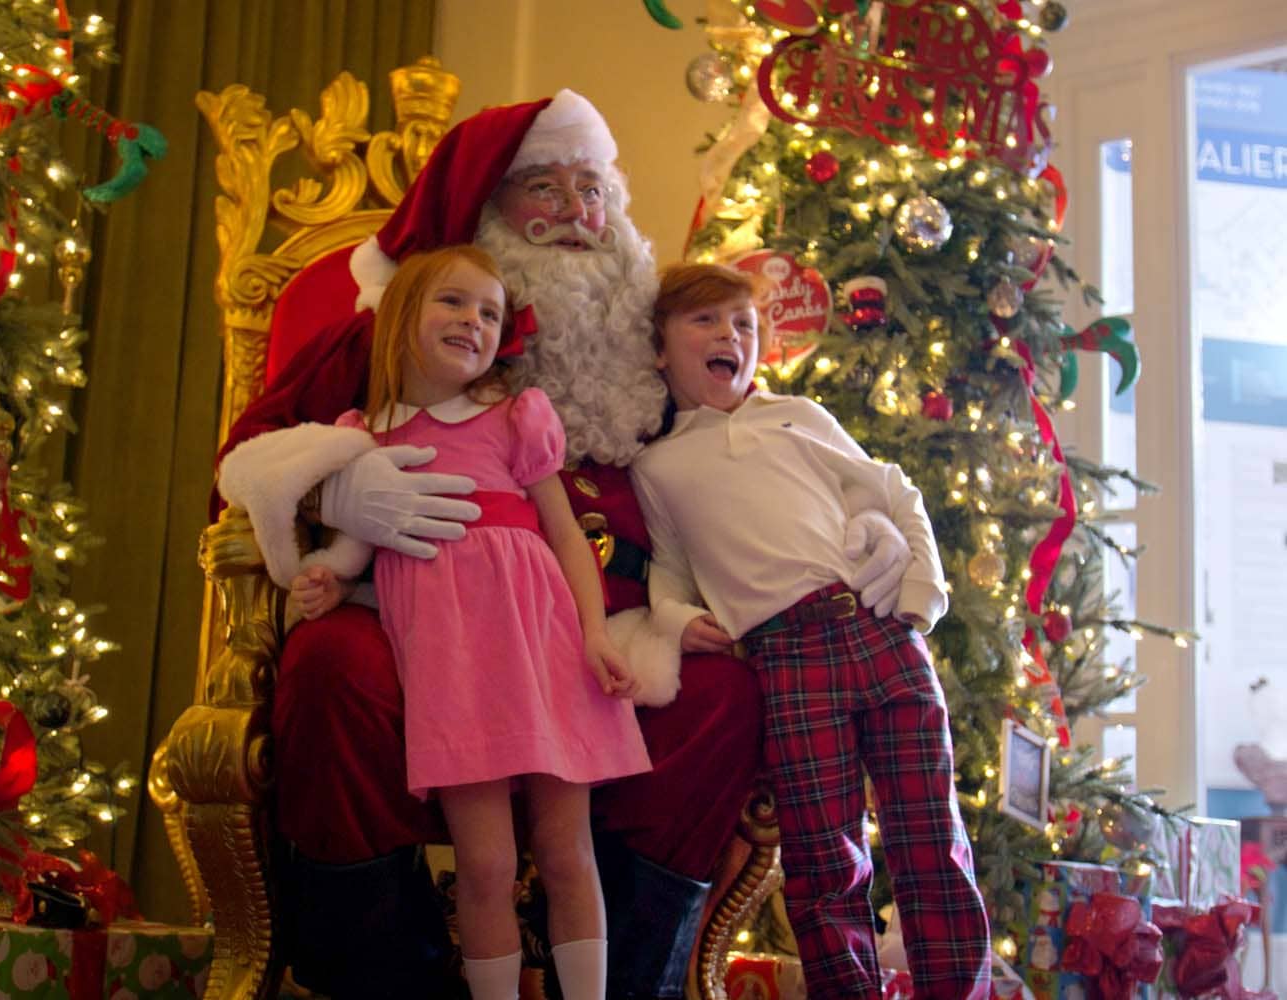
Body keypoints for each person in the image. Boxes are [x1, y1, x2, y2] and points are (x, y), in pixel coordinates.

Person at [215, 90, 915, 1000]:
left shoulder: (658, 339)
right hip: (421, 610)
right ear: (483, 220)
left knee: (726, 697)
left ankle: (631, 978)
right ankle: (387, 974)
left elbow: (761, 454)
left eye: (591, 187)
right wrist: (337, 482)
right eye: (540, 187)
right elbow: (247, 458)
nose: (577, 213)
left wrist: (855, 522)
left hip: (612, 619)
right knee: (329, 672)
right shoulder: (392, 333)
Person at [289, 243, 650, 1000]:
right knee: (484, 863)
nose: (474, 322)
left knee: (564, 851)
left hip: (544, 647)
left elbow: (566, 536)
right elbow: (353, 545)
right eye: (453, 302)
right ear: (401, 317)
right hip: (453, 667)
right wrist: (327, 576)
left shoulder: (515, 416)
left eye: (490, 312)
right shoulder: (365, 436)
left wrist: (593, 633)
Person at [629, 264, 992, 999]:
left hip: (875, 628)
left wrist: (922, 594)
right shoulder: (658, 467)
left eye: (744, 324)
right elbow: (668, 567)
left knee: (931, 841)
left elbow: (893, 491)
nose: (730, 334)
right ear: (660, 350)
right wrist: (675, 619)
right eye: (706, 322)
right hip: (785, 660)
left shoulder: (799, 416)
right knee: (825, 862)